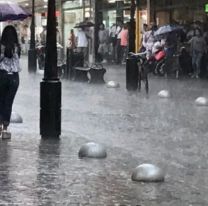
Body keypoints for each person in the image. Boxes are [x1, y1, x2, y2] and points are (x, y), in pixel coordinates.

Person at [0, 25, 21, 139]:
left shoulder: (1, 46)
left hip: (2, 75)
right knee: (9, 102)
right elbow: (18, 61)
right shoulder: (17, 47)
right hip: (14, 77)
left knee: (1, 100)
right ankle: (5, 128)